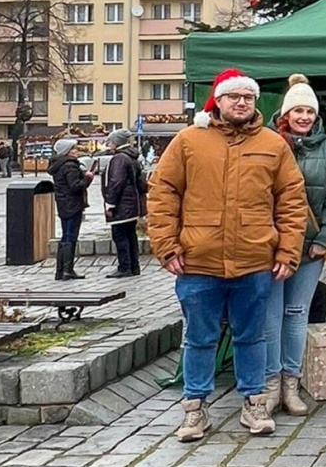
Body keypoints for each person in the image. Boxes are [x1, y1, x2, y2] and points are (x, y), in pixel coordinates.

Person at [148, 68, 307, 441]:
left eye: (248, 98)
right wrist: (166, 246)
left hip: (254, 261)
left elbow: (291, 202)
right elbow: (162, 193)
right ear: (218, 101)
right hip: (197, 262)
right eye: (234, 97)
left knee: (252, 337)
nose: (241, 103)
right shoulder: (189, 141)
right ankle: (194, 409)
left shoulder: (273, 144)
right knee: (199, 338)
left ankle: (254, 403)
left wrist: (287, 250)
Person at [263, 73, 326, 416]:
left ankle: (291, 383)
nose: (304, 117)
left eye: (309, 112)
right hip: (271, 248)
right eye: (297, 110)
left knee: (296, 313)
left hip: (312, 247)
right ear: (285, 112)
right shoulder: (267, 143)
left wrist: (325, 237)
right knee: (271, 317)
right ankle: (270, 386)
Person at [101, 129, 146, 279]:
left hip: (122, 205)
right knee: (130, 235)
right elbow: (141, 184)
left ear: (116, 142)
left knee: (120, 235)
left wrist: (110, 203)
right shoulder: (132, 157)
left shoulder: (119, 158)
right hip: (132, 204)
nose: (108, 144)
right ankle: (134, 266)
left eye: (110, 141)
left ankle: (124, 267)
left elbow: (116, 182)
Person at [48, 138, 92, 281]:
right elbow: (75, 186)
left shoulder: (58, 165)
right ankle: (68, 270)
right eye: (73, 149)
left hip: (63, 204)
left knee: (65, 235)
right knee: (71, 236)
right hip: (72, 204)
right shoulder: (70, 166)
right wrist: (88, 179)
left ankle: (60, 270)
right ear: (66, 152)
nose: (76, 151)